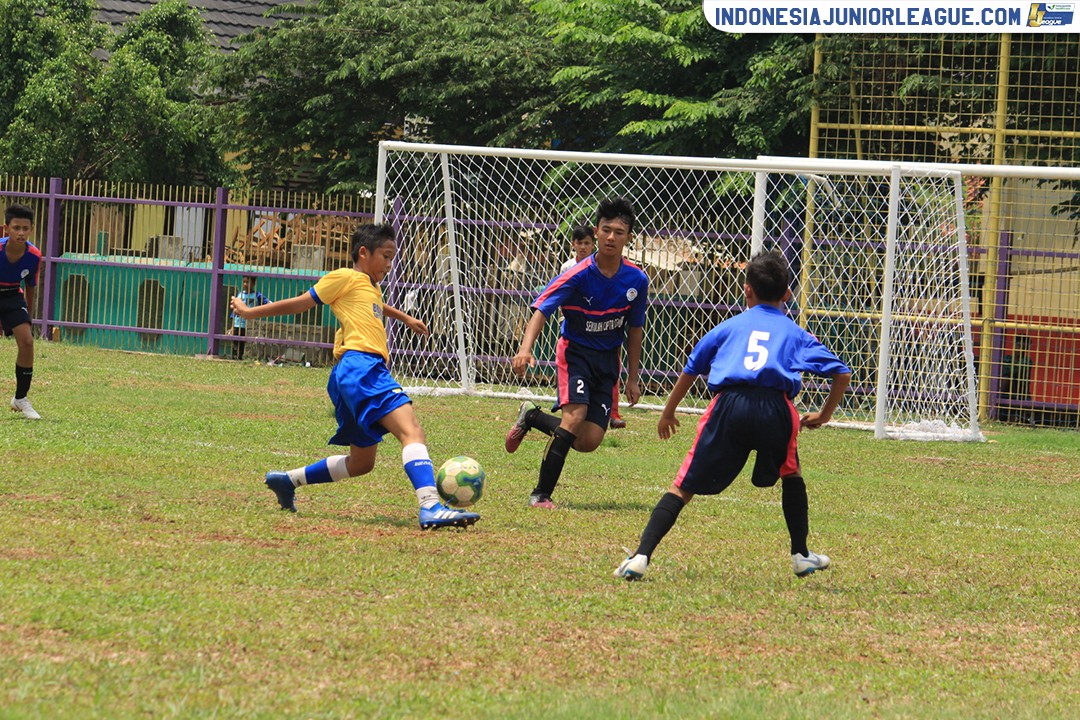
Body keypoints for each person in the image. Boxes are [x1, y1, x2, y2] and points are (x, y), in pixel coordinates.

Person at [614, 250, 850, 580]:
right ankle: (801, 554)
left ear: (746, 289)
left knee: (682, 486)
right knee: (790, 473)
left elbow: (691, 369)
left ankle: (641, 556)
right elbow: (841, 373)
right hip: (776, 407)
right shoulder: (796, 333)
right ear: (787, 295)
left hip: (728, 405)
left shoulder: (727, 327)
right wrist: (824, 415)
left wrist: (668, 412)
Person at [230, 223, 479, 530]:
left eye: (392, 257)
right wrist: (250, 312)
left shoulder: (369, 286)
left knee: (361, 463)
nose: (389, 264)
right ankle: (430, 506)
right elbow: (301, 303)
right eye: (385, 256)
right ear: (364, 253)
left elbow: (378, 306)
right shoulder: (344, 277)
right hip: (362, 367)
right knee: (411, 431)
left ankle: (287, 480)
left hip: (350, 374)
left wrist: (406, 317)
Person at [504, 198, 648, 508]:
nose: (611, 237)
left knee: (588, 440)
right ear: (596, 232)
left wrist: (633, 378)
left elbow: (634, 330)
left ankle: (531, 415)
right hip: (575, 354)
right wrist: (525, 349)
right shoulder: (577, 274)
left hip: (607, 360)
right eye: (606, 230)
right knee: (574, 417)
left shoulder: (637, 280)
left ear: (629, 237)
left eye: (619, 232)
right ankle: (541, 494)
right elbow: (542, 309)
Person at [560, 225, 626, 429]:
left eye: (587, 243)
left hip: (604, 329)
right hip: (576, 329)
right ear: (573, 245)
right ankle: (574, 405)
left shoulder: (616, 271)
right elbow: (555, 297)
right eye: (579, 243)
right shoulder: (568, 268)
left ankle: (611, 412)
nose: (583, 247)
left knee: (611, 367)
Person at [1, 204, 43, 420]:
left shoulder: (34, 255)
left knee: (26, 342)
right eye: (16, 228)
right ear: (6, 228)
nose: (21, 233)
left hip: (11, 295)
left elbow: (30, 286)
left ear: (31, 229)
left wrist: (29, 319)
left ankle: (20, 398)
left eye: (25, 228)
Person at [228, 275, 269, 360]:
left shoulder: (257, 295)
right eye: (244, 282)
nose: (245, 284)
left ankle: (243, 358)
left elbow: (267, 304)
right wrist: (232, 327)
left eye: (248, 282)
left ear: (253, 283)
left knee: (244, 345)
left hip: (250, 326)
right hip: (237, 324)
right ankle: (235, 359)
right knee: (235, 344)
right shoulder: (240, 295)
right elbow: (234, 312)